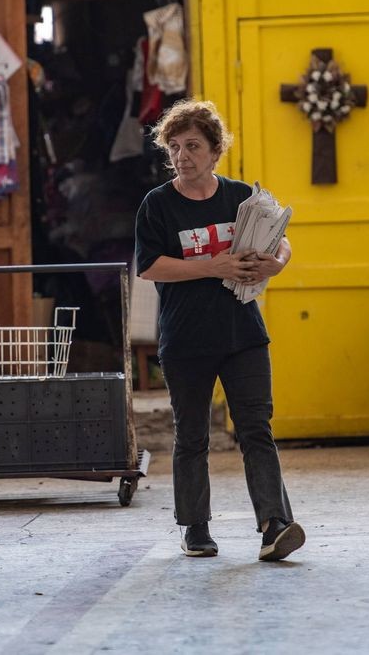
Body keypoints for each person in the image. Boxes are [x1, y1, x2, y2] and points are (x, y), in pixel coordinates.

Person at [133, 99, 304, 562]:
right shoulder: (157, 205)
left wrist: (278, 262)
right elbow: (150, 266)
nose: (182, 156)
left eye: (193, 146)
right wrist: (214, 266)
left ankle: (275, 525)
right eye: (174, 146)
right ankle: (195, 527)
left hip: (243, 334)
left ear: (215, 150)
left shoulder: (241, 197)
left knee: (256, 429)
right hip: (186, 339)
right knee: (192, 435)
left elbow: (281, 237)